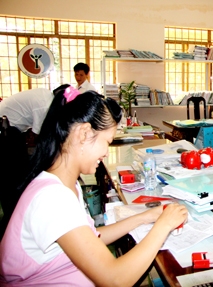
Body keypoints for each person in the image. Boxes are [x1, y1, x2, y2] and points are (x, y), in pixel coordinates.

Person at [0, 87, 188, 286]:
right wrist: (163, 225)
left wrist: (144, 217)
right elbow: (115, 280)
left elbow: (91, 239)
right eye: (106, 142)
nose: (106, 152)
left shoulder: (64, 183)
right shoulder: (53, 198)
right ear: (83, 134)